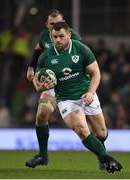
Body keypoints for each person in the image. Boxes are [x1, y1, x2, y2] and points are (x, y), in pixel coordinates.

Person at [33, 22, 123, 173]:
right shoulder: (45, 57)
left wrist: (91, 92)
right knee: (82, 130)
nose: (58, 40)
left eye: (61, 36)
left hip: (86, 93)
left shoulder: (81, 49)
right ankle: (107, 159)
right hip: (66, 99)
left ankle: (101, 152)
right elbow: (37, 81)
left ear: (69, 35)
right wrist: (40, 87)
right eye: (54, 37)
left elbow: (96, 73)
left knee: (101, 133)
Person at [25, 9, 82, 168]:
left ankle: (102, 155)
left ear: (65, 25)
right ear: (46, 25)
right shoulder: (44, 36)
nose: (55, 27)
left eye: (58, 24)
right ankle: (43, 156)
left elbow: (83, 60)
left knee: (90, 129)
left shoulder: (74, 38)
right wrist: (31, 68)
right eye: (51, 24)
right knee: (41, 115)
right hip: (52, 82)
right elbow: (38, 49)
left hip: (72, 84)